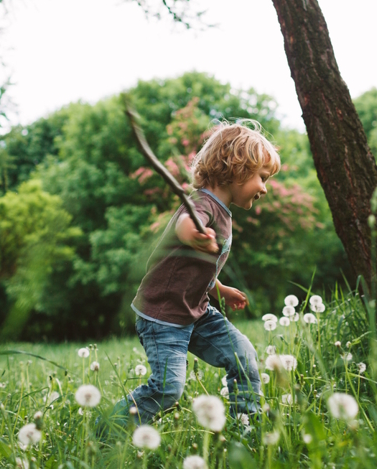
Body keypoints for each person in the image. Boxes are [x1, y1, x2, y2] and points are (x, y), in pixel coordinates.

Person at [109, 120, 280, 428]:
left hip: (196, 311)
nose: (265, 187)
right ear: (237, 169)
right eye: (262, 177)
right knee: (167, 389)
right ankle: (110, 426)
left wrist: (220, 288)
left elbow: (193, 270)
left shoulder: (222, 213)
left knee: (243, 355)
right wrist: (192, 235)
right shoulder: (202, 203)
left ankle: (247, 423)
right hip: (162, 316)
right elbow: (186, 223)